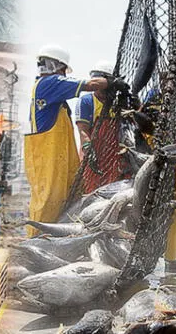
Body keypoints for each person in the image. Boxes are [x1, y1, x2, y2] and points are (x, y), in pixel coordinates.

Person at [25, 44, 111, 237]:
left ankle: (51, 241)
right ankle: (35, 244)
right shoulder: (51, 83)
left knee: (62, 199)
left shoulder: (45, 87)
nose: (64, 74)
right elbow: (91, 85)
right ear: (56, 66)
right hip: (48, 157)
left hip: (53, 157)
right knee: (48, 201)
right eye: (63, 69)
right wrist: (111, 83)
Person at [139, 88, 176, 273]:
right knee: (147, 203)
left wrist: (165, 125)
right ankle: (144, 254)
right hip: (151, 153)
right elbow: (143, 123)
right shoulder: (153, 94)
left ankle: (171, 257)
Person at [75, 60, 116, 158]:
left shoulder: (118, 103)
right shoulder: (87, 101)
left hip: (115, 154)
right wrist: (88, 148)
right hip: (93, 153)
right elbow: (83, 130)